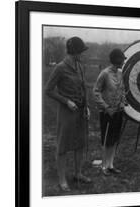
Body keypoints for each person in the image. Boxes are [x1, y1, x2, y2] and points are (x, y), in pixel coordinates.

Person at [45, 36, 91, 191]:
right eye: (81, 51)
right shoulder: (60, 67)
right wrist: (66, 101)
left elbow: (84, 88)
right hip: (67, 113)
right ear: (74, 52)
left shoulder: (80, 66)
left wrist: (87, 107)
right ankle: (62, 179)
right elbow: (48, 90)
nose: (83, 54)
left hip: (80, 112)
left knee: (80, 144)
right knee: (63, 146)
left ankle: (78, 174)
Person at [93, 49, 127, 176]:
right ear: (117, 60)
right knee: (107, 139)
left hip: (118, 112)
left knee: (114, 139)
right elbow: (96, 92)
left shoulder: (120, 73)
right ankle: (104, 166)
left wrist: (123, 102)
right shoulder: (104, 74)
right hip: (107, 112)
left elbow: (123, 90)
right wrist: (106, 107)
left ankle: (111, 165)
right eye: (122, 59)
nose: (124, 62)